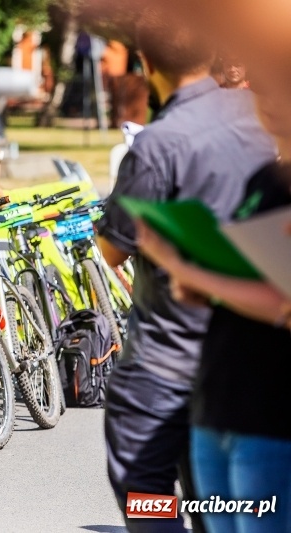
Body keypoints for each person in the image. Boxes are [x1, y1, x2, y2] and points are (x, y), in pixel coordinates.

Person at [94, 11, 277, 532]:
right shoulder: (264, 120)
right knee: (224, 505)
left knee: (149, 496)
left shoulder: (159, 143)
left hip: (165, 361)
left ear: (146, 62)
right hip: (245, 355)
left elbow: (112, 249)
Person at [134, 79, 291, 533]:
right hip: (217, 407)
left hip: (271, 420)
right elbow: (247, 281)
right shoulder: (263, 180)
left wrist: (191, 271)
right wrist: (196, 283)